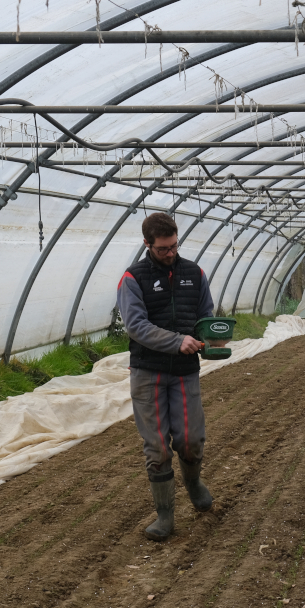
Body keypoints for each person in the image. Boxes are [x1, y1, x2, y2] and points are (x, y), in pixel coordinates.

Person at [116, 212, 216, 541]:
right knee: (157, 448)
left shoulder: (194, 272)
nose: (171, 253)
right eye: (163, 249)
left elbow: (205, 314)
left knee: (190, 440)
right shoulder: (133, 278)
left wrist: (213, 337)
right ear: (147, 244)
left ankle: (194, 482)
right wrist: (177, 341)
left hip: (185, 373)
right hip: (148, 373)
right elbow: (136, 326)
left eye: (174, 246)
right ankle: (165, 516)